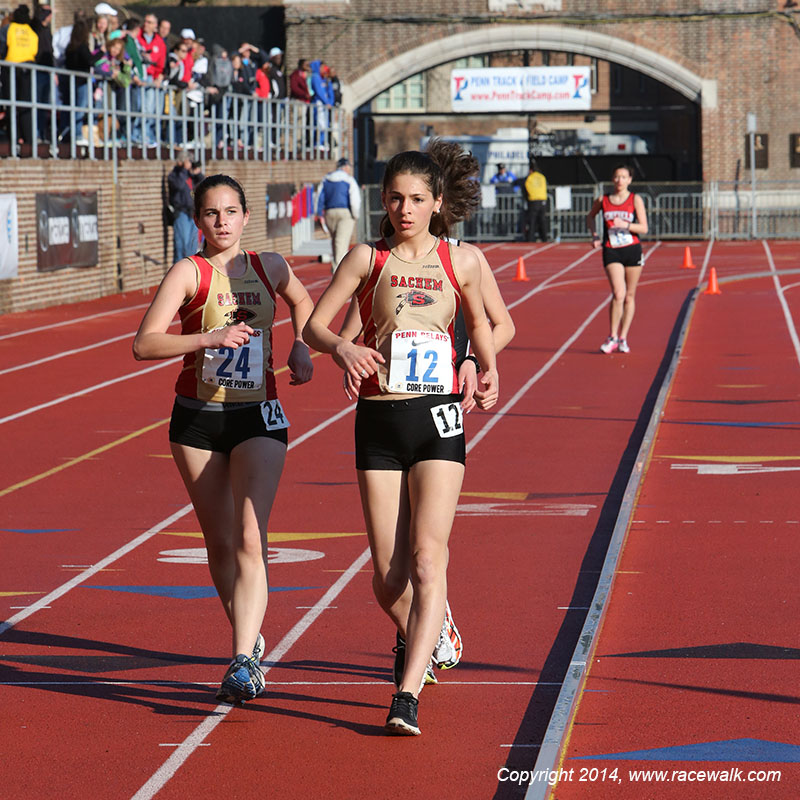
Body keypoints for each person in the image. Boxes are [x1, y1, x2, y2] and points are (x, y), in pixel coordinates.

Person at [303, 143, 498, 736]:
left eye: (416, 200)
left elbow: (488, 322)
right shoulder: (367, 258)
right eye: (394, 198)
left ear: (437, 204)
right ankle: (430, 627)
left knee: (426, 557)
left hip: (439, 418)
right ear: (381, 200)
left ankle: (407, 694)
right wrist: (343, 348)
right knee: (389, 577)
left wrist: (480, 367)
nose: (404, 209)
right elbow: (315, 323)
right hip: (380, 421)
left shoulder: (462, 261)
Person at [132, 174, 314, 705]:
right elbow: (144, 344)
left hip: (259, 415)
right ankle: (249, 638)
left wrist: (301, 346)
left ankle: (240, 661)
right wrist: (208, 337)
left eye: (231, 211)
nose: (222, 222)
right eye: (211, 213)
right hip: (197, 420)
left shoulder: (270, 266)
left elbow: (304, 303)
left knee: (251, 538)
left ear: (246, 216)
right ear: (197, 220)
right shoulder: (189, 273)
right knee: (219, 545)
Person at [586, 163, 649, 354]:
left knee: (630, 296)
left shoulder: (635, 199)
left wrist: (626, 224)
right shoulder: (603, 200)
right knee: (618, 293)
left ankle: (623, 337)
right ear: (613, 179)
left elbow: (644, 228)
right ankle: (612, 336)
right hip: (611, 249)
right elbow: (590, 217)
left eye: (623, 177)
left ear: (630, 180)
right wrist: (595, 235)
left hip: (632, 250)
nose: (619, 180)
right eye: (616, 177)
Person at [315, 157, 361, 272]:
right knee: (341, 243)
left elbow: (319, 197)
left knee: (335, 242)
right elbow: (354, 199)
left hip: (329, 213)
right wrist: (355, 215)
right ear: (345, 167)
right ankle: (339, 272)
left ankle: (337, 269)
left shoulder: (326, 179)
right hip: (345, 213)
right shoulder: (349, 179)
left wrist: (319, 213)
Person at [167, 150, 202, 263]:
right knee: (181, 245)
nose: (190, 164)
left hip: (192, 213)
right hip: (181, 212)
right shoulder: (174, 175)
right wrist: (183, 169)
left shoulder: (191, 175)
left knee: (192, 245)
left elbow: (204, 185)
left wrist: (198, 174)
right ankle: (178, 272)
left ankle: (191, 270)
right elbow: (179, 186)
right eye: (188, 161)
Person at [517, 160, 548, 242]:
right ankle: (544, 238)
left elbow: (525, 189)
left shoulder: (530, 178)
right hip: (543, 200)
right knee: (542, 220)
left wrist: (527, 199)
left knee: (532, 221)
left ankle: (531, 239)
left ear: (531, 170)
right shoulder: (542, 177)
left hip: (533, 201)